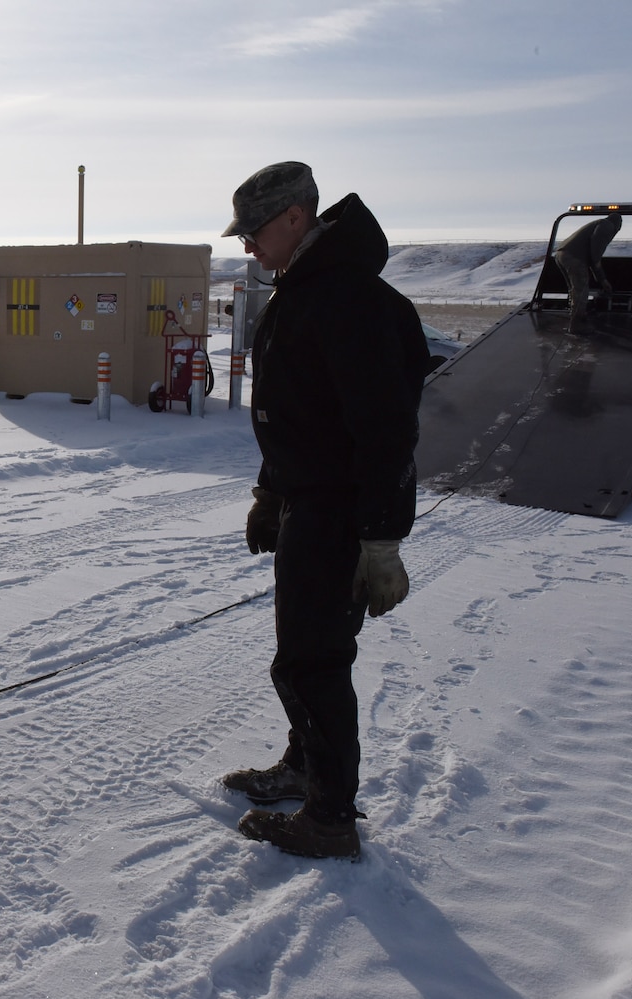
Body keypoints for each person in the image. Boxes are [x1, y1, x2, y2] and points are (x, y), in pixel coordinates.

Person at [218, 161, 428, 859]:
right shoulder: (305, 289)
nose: (246, 245)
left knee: (312, 664)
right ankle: (306, 766)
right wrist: (272, 492)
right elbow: (301, 412)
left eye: (253, 231)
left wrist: (381, 542)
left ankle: (331, 817)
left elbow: (385, 433)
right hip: (310, 503)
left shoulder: (349, 299)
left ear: (295, 219)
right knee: (307, 655)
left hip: (340, 514)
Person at [554, 214, 622, 332]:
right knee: (581, 291)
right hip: (574, 257)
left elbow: (591, 254)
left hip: (561, 254)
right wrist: (603, 279)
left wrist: (600, 278)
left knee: (574, 290)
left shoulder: (598, 223)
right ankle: (576, 325)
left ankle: (577, 315)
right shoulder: (607, 226)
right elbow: (595, 254)